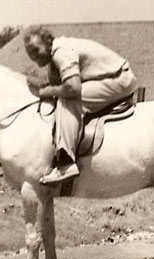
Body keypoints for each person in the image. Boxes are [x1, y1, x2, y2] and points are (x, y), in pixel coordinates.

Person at [24, 26, 137, 184]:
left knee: (69, 99)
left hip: (119, 79)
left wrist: (45, 91)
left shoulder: (61, 52)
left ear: (48, 41)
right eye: (30, 54)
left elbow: (72, 87)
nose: (34, 57)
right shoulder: (53, 55)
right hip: (112, 76)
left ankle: (66, 163)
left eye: (36, 50)